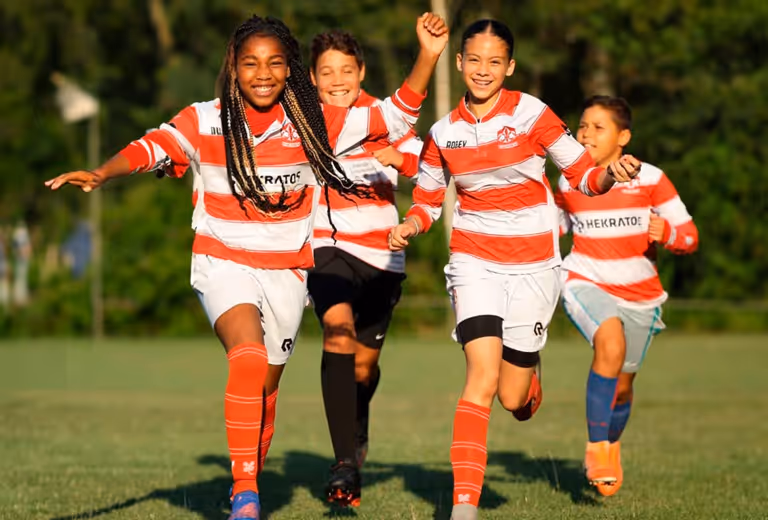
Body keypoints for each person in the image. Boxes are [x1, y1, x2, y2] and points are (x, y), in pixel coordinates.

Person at [46, 13, 448, 520]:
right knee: (248, 357)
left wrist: (429, 56)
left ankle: (249, 471)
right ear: (233, 67)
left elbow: (396, 116)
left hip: (286, 273)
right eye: (251, 62)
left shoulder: (313, 121)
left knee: (265, 387)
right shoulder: (205, 119)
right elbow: (155, 147)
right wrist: (104, 172)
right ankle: (245, 494)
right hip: (222, 261)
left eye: (275, 62)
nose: (263, 73)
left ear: (290, 70)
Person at [388, 19, 641, 520]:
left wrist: (609, 174)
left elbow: (581, 176)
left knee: (512, 396)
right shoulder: (443, 132)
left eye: (494, 62)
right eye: (474, 60)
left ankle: (529, 378)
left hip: (534, 266)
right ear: (459, 63)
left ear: (510, 66)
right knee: (479, 377)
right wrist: (410, 225)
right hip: (474, 261)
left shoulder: (532, 113)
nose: (483, 71)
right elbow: (429, 199)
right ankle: (464, 508)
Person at [556, 95, 698, 496]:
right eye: (582, 126)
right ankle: (597, 448)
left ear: (624, 137)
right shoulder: (568, 180)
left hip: (642, 296)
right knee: (610, 341)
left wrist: (667, 235)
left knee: (622, 386)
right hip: (584, 279)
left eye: (598, 128)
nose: (586, 134)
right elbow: (552, 231)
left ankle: (611, 441)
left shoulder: (651, 178)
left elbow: (689, 236)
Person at [306, 29, 425, 507]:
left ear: (362, 74)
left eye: (346, 71)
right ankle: (344, 465)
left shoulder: (386, 116)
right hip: (325, 248)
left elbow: (428, 163)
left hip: (383, 257)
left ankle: (356, 424)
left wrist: (400, 157)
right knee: (337, 333)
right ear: (312, 78)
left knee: (363, 369)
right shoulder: (303, 120)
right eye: (326, 72)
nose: (337, 80)